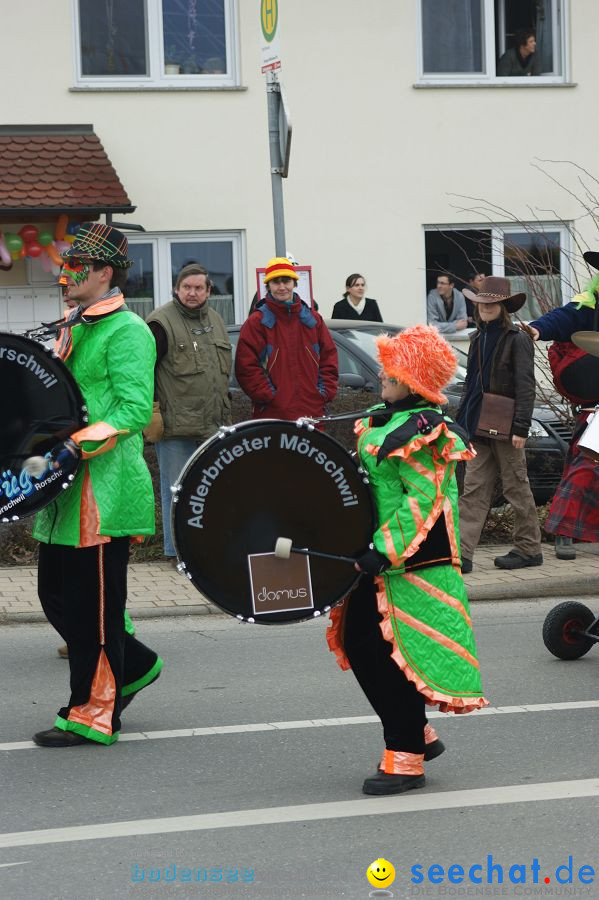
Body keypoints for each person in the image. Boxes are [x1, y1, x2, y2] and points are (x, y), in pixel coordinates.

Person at [327, 325, 488, 796]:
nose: (381, 373)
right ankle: (415, 734)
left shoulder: (426, 430)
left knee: (392, 657)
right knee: (361, 644)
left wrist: (384, 550)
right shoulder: (386, 418)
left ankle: (406, 759)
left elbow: (424, 500)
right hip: (377, 556)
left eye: (392, 368)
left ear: (412, 379)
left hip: (413, 562)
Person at [32, 222, 163, 747]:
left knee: (95, 614)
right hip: (63, 490)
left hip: (102, 491)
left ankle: (92, 712)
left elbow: (132, 409)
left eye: (76, 267)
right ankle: (136, 666)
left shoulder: (127, 330)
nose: (66, 275)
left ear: (104, 273)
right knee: (55, 597)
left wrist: (75, 445)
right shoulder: (75, 324)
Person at [145, 264, 232, 562]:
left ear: (208, 291)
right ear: (176, 289)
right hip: (175, 427)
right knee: (177, 491)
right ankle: (177, 552)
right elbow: (143, 372)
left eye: (198, 288)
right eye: (187, 288)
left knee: (213, 490)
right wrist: (152, 413)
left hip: (213, 425)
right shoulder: (160, 322)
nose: (192, 293)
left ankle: (207, 549)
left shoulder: (217, 320)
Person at [457, 276, 542, 573]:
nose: (485, 308)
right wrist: (462, 425)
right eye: (481, 303)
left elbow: (525, 386)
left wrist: (521, 427)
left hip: (507, 426)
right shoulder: (476, 339)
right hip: (477, 424)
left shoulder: (517, 339)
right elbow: (471, 386)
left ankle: (529, 548)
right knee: (473, 490)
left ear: (502, 306)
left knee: (516, 487)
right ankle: (462, 554)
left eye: (491, 303)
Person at [522, 252, 599, 560]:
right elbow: (563, 318)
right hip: (598, 406)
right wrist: (536, 328)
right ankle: (564, 532)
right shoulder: (589, 304)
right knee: (586, 469)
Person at [235, 257, 338, 420]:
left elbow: (329, 359)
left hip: (312, 414)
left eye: (286, 281)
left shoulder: (313, 320)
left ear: (294, 283)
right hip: (272, 416)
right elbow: (246, 368)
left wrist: (323, 393)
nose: (282, 287)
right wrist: (270, 397)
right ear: (268, 286)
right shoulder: (256, 323)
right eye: (276, 282)